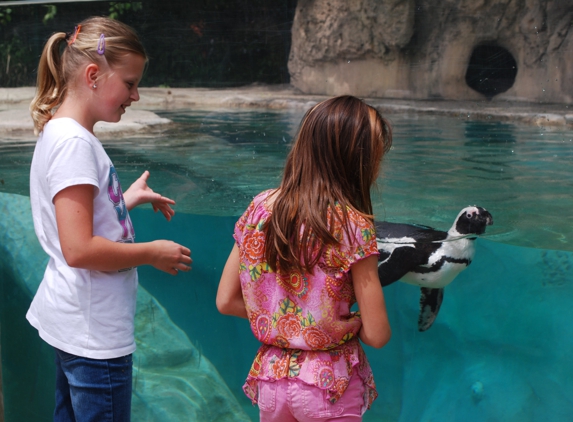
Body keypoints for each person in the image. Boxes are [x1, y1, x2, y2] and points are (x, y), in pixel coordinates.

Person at [27, 16, 192, 422]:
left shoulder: (62, 131)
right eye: (131, 83)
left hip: (75, 323)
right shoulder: (74, 145)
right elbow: (79, 248)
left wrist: (124, 200)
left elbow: (76, 219)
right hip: (93, 335)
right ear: (93, 75)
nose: (135, 96)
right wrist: (151, 252)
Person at [217, 95, 393, 421]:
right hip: (329, 383)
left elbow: (226, 301)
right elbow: (378, 333)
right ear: (358, 162)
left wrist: (287, 327)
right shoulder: (352, 225)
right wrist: (330, 328)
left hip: (270, 377)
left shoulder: (260, 208)